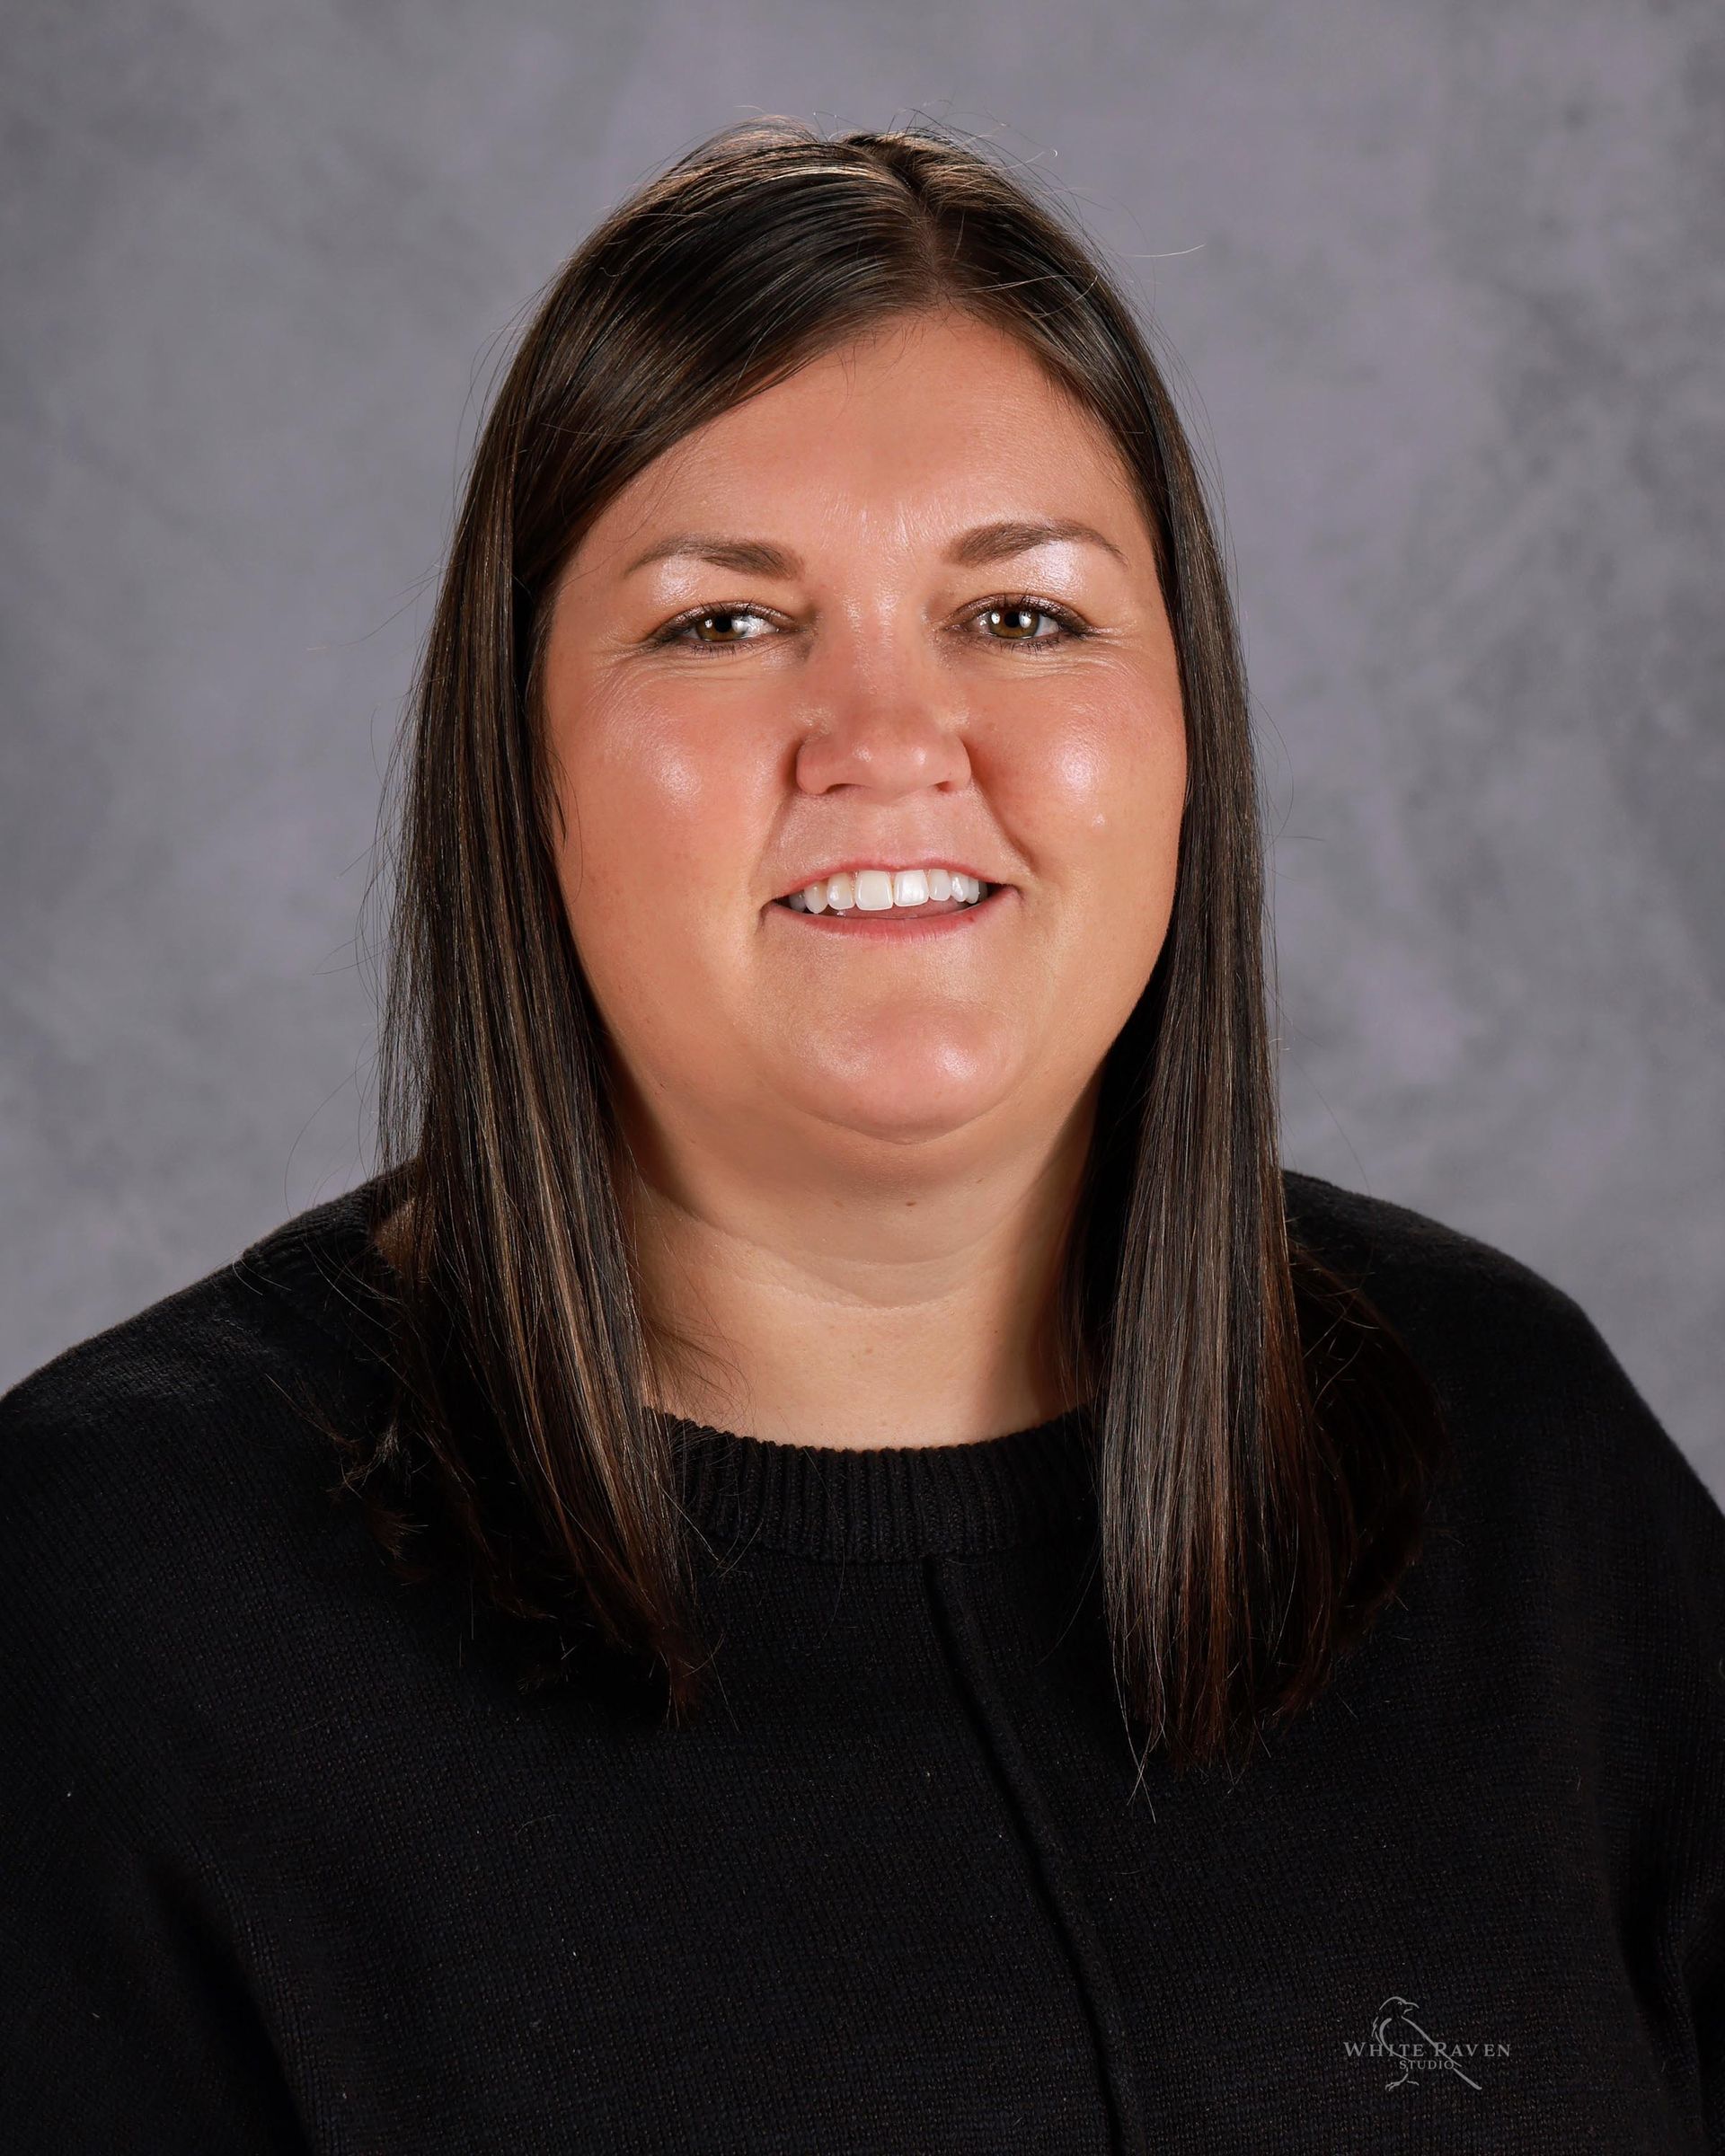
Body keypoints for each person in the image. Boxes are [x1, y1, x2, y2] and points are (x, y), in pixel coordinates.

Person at [2, 118, 1720, 2156]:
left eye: (1023, 617)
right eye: (724, 624)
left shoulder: (1506, 1460)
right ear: (518, 759)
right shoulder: (110, 1609)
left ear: (1187, 729)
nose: (891, 744)